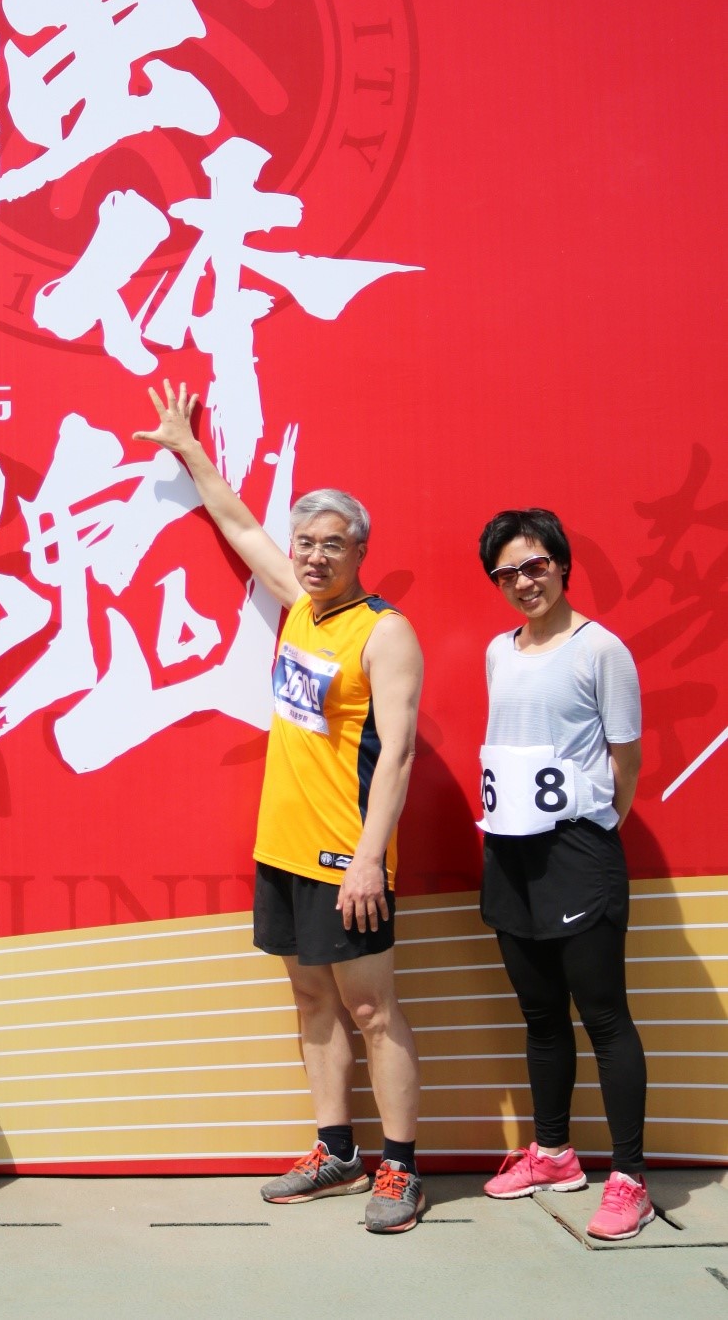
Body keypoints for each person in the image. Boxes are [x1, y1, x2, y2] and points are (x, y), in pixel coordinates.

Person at [136, 382, 425, 1233]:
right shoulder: (299, 609)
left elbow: (398, 753)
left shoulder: (383, 632)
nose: (312, 556)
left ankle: (400, 1168)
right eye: (304, 542)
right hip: (282, 848)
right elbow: (237, 525)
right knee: (311, 1002)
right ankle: (335, 1152)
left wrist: (368, 859)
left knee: (372, 1010)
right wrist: (189, 451)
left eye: (331, 544)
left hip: (347, 857)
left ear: (359, 550)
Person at [477, 509, 650, 1240]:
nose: (523, 582)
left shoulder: (600, 650)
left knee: (603, 1017)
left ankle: (630, 1179)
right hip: (509, 854)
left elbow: (625, 760)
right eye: (506, 573)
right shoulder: (497, 651)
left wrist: (595, 826)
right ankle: (553, 1155)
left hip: (578, 853)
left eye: (535, 565)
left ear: (561, 564)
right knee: (541, 1016)